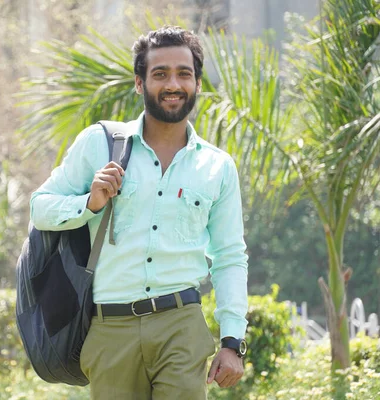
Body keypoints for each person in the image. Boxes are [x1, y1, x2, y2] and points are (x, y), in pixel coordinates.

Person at [30, 26, 248, 399]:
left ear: (197, 83)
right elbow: (40, 208)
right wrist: (89, 203)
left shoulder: (217, 166)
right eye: (160, 74)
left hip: (181, 323)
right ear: (139, 83)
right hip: (111, 327)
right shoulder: (98, 145)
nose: (173, 84)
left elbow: (229, 256)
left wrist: (232, 340)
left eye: (184, 73)